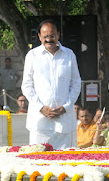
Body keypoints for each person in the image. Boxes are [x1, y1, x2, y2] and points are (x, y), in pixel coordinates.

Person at [21, 19, 81, 149]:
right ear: (39, 37)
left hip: (64, 120)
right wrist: (41, 107)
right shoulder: (32, 55)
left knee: (67, 163)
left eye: (52, 36)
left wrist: (66, 106)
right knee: (39, 163)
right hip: (40, 123)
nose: (49, 39)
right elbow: (26, 86)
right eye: (45, 36)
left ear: (58, 35)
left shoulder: (69, 55)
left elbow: (76, 83)